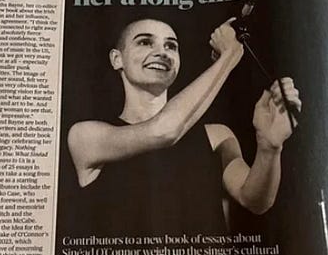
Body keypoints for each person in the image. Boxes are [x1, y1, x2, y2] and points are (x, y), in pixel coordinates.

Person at [64, 18, 300, 237]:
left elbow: (255, 201)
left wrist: (269, 147)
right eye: (145, 42)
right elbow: (164, 131)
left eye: (171, 46)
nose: (162, 52)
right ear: (117, 59)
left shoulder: (218, 136)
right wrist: (229, 55)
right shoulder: (86, 136)